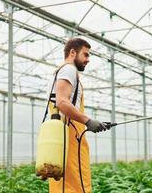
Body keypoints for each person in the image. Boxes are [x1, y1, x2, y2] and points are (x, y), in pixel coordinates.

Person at [47, 37, 108, 193]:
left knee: (64, 184)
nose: (88, 59)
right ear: (73, 52)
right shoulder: (69, 70)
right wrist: (87, 121)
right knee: (76, 184)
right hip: (70, 135)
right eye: (86, 54)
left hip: (63, 135)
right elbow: (62, 102)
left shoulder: (61, 71)